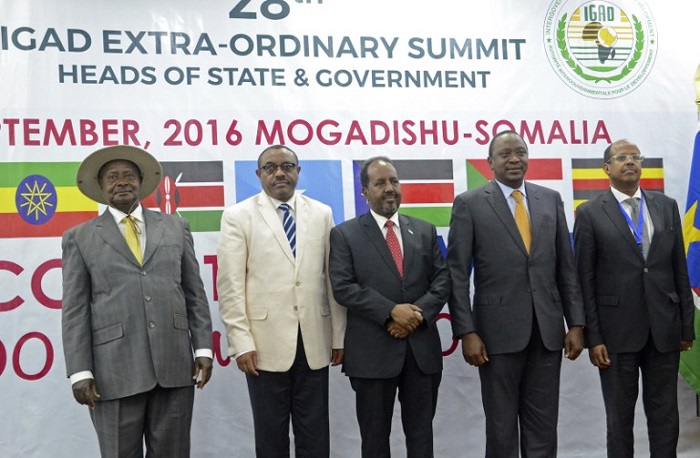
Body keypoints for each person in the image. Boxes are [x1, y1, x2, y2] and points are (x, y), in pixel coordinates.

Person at [61, 145, 213, 458]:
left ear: (141, 182)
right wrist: (80, 372)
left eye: (129, 175)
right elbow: (75, 311)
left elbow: (194, 292)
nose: (122, 182)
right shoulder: (80, 237)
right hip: (112, 373)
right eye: (112, 177)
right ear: (101, 187)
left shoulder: (176, 227)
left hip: (174, 367)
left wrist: (203, 348)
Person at [447, 130, 585, 457]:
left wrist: (576, 323)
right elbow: (456, 274)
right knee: (501, 426)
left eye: (520, 152)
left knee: (543, 425)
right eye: (505, 154)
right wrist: (466, 331)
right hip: (495, 335)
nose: (514, 159)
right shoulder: (469, 204)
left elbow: (566, 267)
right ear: (489, 163)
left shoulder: (550, 199)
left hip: (547, 332)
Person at [217, 145, 346, 457]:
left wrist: (339, 336)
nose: (279, 173)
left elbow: (331, 278)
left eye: (287, 166)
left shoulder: (322, 213)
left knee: (315, 436)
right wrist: (241, 342)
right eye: (270, 167)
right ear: (259, 174)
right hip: (263, 346)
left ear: (298, 172)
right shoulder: (238, 216)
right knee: (271, 436)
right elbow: (231, 286)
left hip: (314, 340)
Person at [573, 139, 695, 457]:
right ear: (606, 168)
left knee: (665, 416)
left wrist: (685, 326)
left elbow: (679, 270)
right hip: (615, 335)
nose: (630, 161)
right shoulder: (589, 213)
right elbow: (584, 279)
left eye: (636, 157)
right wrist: (593, 336)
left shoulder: (666, 206)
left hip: (664, 331)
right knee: (619, 419)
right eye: (622, 157)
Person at [328, 156, 450, 457]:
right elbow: (343, 287)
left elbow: (442, 279)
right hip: (372, 353)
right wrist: (391, 312)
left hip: (420, 352)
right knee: (374, 440)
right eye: (380, 183)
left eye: (394, 181)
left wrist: (415, 315)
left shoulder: (423, 229)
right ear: (365, 192)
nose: (389, 188)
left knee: (422, 437)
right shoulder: (345, 235)